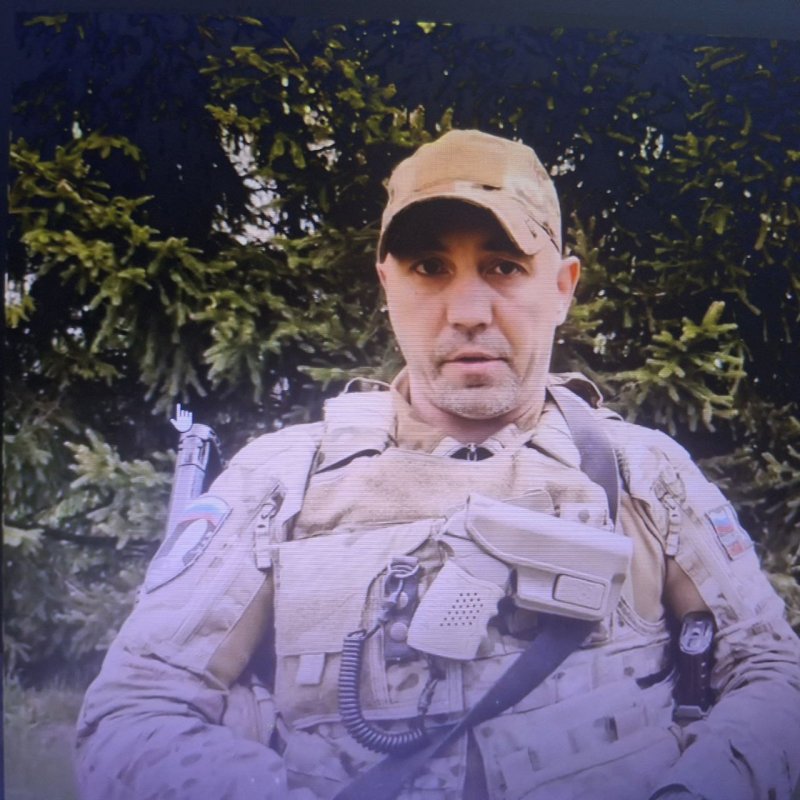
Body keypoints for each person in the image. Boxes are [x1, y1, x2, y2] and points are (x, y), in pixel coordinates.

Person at [75, 129, 800, 800]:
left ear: (562, 287)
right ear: (387, 283)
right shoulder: (282, 482)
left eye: (503, 266)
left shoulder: (645, 473)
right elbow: (134, 714)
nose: (467, 310)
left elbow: (773, 676)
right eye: (429, 268)